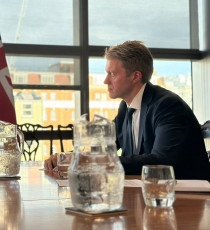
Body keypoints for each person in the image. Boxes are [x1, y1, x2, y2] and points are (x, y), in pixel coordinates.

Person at [45, 41, 210, 180]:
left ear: (135, 76)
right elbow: (102, 150)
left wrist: (88, 160)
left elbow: (162, 161)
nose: (105, 81)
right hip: (146, 192)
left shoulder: (168, 106)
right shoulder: (126, 107)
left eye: (112, 74)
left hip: (188, 199)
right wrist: (67, 159)